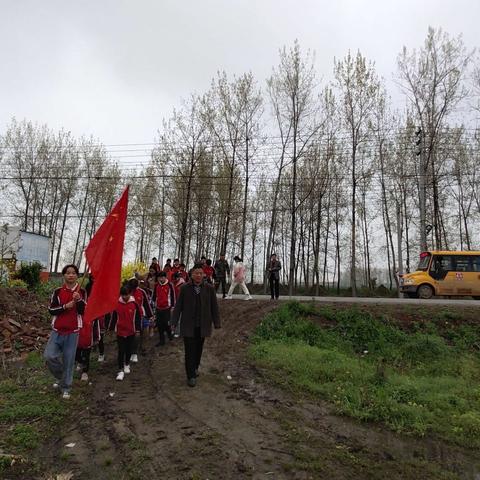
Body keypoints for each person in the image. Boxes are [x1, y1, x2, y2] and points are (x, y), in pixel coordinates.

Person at [171, 263, 220, 387]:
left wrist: (216, 322)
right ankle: (190, 375)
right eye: (196, 273)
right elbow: (178, 307)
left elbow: (214, 307)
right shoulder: (185, 288)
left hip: (202, 325)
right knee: (189, 351)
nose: (198, 275)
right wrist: (173, 322)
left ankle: (195, 367)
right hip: (188, 325)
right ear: (191, 275)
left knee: (198, 349)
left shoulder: (209, 289)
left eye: (200, 273)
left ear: (204, 275)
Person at [44, 264, 87, 399]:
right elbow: (51, 310)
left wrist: (79, 300)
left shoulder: (82, 292)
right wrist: (65, 306)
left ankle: (66, 387)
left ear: (77, 276)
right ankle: (61, 377)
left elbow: (83, 311)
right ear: (64, 275)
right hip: (57, 330)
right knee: (49, 356)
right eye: (68, 273)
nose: (70, 275)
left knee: (69, 360)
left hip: (73, 331)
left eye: (73, 273)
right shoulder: (57, 291)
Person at [110, 285, 141, 381]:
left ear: (130, 294)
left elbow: (137, 318)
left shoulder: (134, 304)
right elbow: (114, 317)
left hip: (131, 331)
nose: (124, 297)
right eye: (122, 295)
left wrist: (137, 330)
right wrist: (111, 329)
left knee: (128, 349)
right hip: (120, 331)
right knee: (121, 350)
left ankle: (127, 364)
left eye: (126, 295)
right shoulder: (117, 304)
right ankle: (120, 370)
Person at [128, 277, 154, 359]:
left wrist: (151, 315)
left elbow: (146, 304)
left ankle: (144, 348)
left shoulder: (142, 292)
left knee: (145, 331)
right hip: (130, 316)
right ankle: (132, 349)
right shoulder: (126, 292)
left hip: (142, 315)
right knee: (133, 334)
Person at [152, 271, 175, 346]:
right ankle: (162, 340)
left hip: (167, 308)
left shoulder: (170, 285)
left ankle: (170, 335)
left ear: (165, 277)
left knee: (166, 323)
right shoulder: (156, 285)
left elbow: (172, 296)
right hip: (158, 307)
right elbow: (154, 296)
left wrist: (172, 306)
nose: (161, 279)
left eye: (162, 277)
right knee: (159, 324)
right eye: (159, 277)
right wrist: (153, 304)